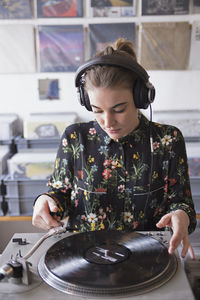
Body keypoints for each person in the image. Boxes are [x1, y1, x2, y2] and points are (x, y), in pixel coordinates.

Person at [32, 38, 196, 259]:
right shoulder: (75, 137)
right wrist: (44, 201)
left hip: (148, 260)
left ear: (141, 98)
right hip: (83, 262)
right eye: (97, 110)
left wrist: (181, 215)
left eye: (119, 109)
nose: (107, 122)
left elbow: (181, 202)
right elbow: (59, 195)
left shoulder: (169, 139)